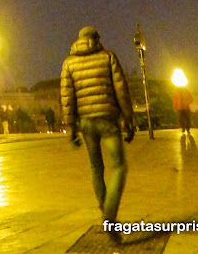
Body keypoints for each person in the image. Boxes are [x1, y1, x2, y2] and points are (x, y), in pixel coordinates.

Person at [61, 26, 134, 248]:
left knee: (96, 168)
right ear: (96, 39)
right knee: (119, 166)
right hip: (108, 119)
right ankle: (110, 216)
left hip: (86, 122)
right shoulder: (108, 56)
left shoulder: (69, 63)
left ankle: (105, 212)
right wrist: (128, 118)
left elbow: (67, 96)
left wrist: (71, 126)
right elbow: (121, 88)